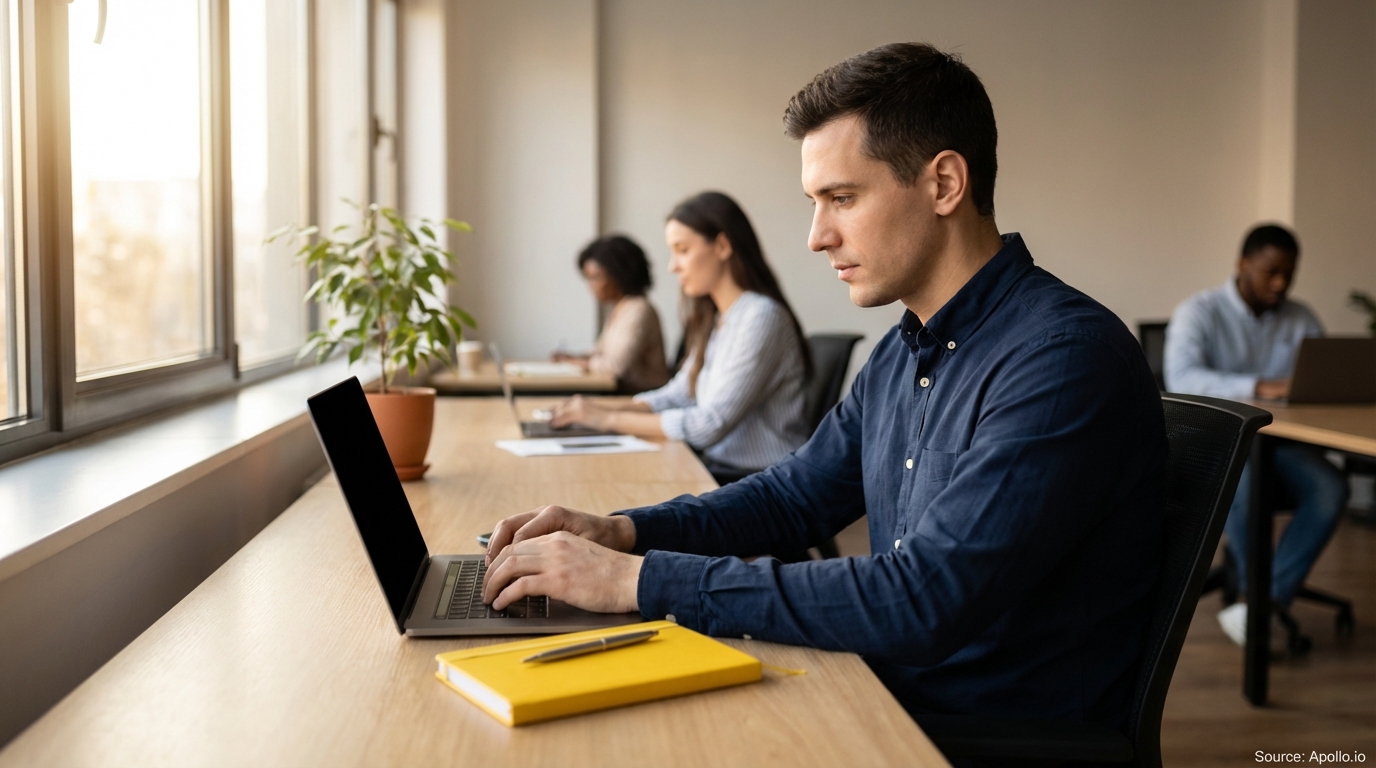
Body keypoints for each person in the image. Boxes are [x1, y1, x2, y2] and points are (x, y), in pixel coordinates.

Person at [483, 43, 1166, 732]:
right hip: (878, 686)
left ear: (944, 185)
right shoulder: (904, 351)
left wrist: (632, 580)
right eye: (816, 202)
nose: (816, 236)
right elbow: (792, 498)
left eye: (842, 198)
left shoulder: (1062, 359)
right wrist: (624, 532)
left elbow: (923, 600)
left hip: (964, 735)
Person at [1164, 224, 1348, 647]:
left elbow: (1319, 381)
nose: (1281, 284)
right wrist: (1262, 386)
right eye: (1272, 272)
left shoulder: (1301, 318)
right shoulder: (1199, 312)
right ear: (1243, 264)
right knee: (1241, 484)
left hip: (1282, 445)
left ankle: (1263, 605)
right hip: (1222, 446)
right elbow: (1182, 378)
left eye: (1290, 274)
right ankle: (1256, 599)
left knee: (1330, 488)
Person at [551, 191, 812, 481]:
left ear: (723, 246)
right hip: (720, 469)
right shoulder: (719, 318)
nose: (672, 265)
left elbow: (710, 424)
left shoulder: (761, 318)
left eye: (682, 250)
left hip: (762, 480)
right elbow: (681, 392)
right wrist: (602, 409)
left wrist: (608, 419)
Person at [553, 235, 670, 394]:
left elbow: (615, 367)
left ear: (619, 274)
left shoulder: (639, 309)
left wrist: (574, 362)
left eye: (595, 278)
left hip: (640, 396)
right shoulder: (620, 308)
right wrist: (572, 358)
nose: (591, 287)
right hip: (621, 393)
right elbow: (600, 353)